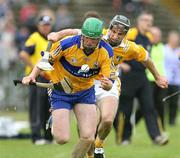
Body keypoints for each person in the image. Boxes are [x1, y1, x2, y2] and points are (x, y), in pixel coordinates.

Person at [47, 14, 168, 158]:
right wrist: (57, 34)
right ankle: (90, 153)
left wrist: (158, 77)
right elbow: (75, 31)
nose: (115, 36)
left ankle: (99, 145)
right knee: (87, 127)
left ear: (125, 34)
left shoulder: (130, 47)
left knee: (108, 119)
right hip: (89, 80)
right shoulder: (98, 34)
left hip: (109, 81)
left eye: (120, 34)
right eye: (113, 31)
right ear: (109, 28)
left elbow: (146, 59)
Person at [22, 17, 114, 158]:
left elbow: (107, 80)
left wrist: (108, 85)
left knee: (88, 137)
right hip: (61, 92)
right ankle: (54, 117)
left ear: (100, 38)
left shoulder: (105, 51)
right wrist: (32, 76)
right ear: (82, 35)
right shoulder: (67, 44)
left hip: (84, 92)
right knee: (61, 139)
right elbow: (45, 61)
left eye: (94, 39)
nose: (90, 42)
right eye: (87, 38)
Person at [114, 10, 169, 145]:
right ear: (139, 21)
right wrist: (121, 64)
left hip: (142, 76)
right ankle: (124, 138)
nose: (148, 23)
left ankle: (157, 137)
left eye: (150, 21)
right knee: (126, 109)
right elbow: (117, 47)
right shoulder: (132, 33)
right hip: (129, 76)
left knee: (149, 106)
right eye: (145, 20)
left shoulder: (149, 37)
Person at [19, 15, 54, 145]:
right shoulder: (34, 38)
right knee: (36, 107)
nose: (46, 27)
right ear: (39, 26)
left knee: (48, 107)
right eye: (44, 25)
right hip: (37, 78)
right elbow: (23, 54)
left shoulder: (51, 39)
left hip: (49, 78)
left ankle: (48, 136)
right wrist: (35, 69)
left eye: (48, 25)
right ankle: (36, 136)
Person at [146, 26, 167, 130]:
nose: (156, 37)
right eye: (154, 35)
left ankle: (162, 128)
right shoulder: (147, 47)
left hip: (161, 80)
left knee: (160, 104)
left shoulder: (163, 47)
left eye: (158, 35)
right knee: (148, 105)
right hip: (149, 80)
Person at [164, 30, 180, 126]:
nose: (175, 40)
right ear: (169, 39)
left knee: (174, 103)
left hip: (176, 80)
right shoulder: (164, 49)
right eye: (173, 38)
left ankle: (172, 121)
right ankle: (161, 119)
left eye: (176, 38)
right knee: (163, 101)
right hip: (166, 79)